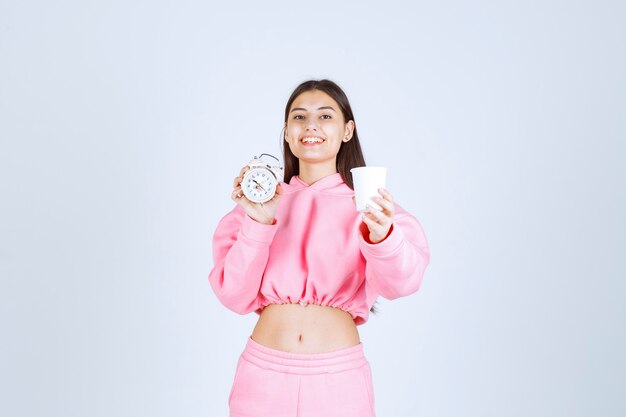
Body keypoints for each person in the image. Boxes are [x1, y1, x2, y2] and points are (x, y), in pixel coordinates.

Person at [208, 79, 430, 417]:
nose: (310, 125)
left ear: (347, 130)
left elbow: (403, 283)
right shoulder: (257, 204)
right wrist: (259, 223)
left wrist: (382, 236)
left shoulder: (371, 208)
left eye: (325, 116)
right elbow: (234, 295)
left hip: (338, 381)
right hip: (263, 377)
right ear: (286, 132)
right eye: (299, 117)